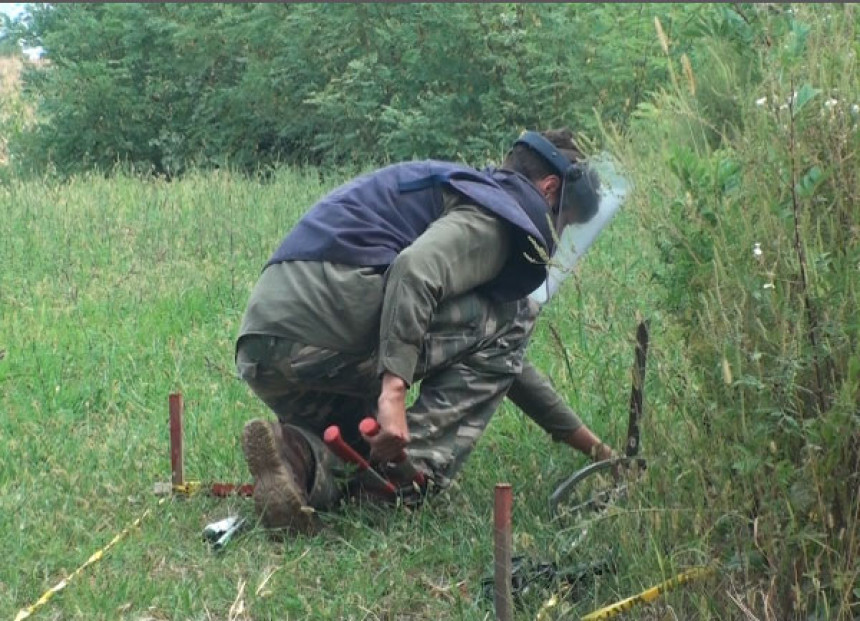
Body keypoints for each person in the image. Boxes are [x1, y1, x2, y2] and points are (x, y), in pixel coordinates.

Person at [235, 128, 617, 533]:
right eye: (565, 222)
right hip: (329, 326)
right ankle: (408, 480)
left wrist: (597, 450)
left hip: (266, 345)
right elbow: (416, 269)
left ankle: (295, 458)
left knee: (358, 448)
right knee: (517, 312)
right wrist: (393, 393)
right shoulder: (497, 212)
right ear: (550, 188)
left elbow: (507, 364)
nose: (558, 238)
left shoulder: (457, 187)